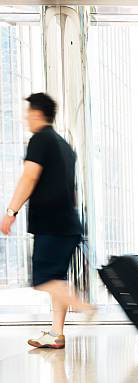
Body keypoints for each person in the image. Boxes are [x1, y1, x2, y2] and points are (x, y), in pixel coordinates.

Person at [0, 92, 94, 349]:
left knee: (44, 279)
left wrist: (10, 212)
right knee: (57, 280)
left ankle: (84, 306)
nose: (25, 118)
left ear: (37, 114)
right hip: (69, 223)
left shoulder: (40, 139)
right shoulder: (64, 146)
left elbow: (29, 177)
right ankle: (56, 334)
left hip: (51, 224)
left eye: (27, 113)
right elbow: (71, 190)